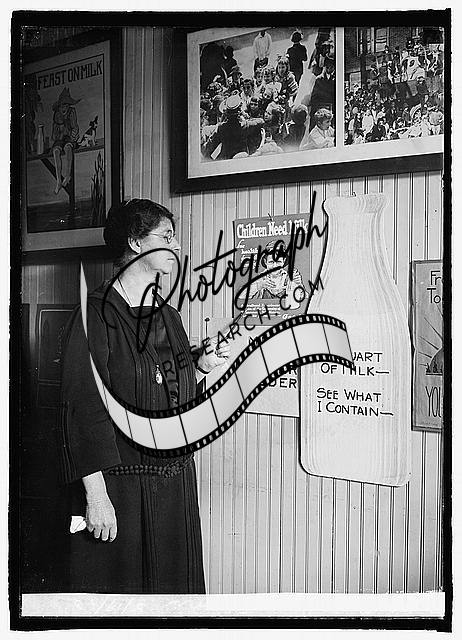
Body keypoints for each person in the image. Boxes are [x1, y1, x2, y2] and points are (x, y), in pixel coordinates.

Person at [58, 199, 230, 593]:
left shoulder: (168, 316)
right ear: (136, 243)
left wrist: (201, 367)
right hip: (121, 492)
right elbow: (82, 411)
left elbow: (172, 397)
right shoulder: (95, 315)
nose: (177, 246)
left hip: (173, 489)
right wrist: (96, 497)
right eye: (167, 236)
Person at [204, 94, 264, 160]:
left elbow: (210, 147)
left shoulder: (221, 128)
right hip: (242, 158)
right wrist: (245, 116)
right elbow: (261, 121)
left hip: (226, 158)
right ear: (239, 112)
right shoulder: (245, 125)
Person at [51, 87, 80, 194]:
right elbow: (54, 132)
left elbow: (75, 127)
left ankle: (67, 175)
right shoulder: (57, 114)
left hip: (68, 137)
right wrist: (57, 135)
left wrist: (73, 136)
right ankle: (59, 180)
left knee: (68, 148)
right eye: (62, 105)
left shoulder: (72, 112)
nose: (64, 107)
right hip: (60, 138)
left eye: (66, 105)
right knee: (56, 151)